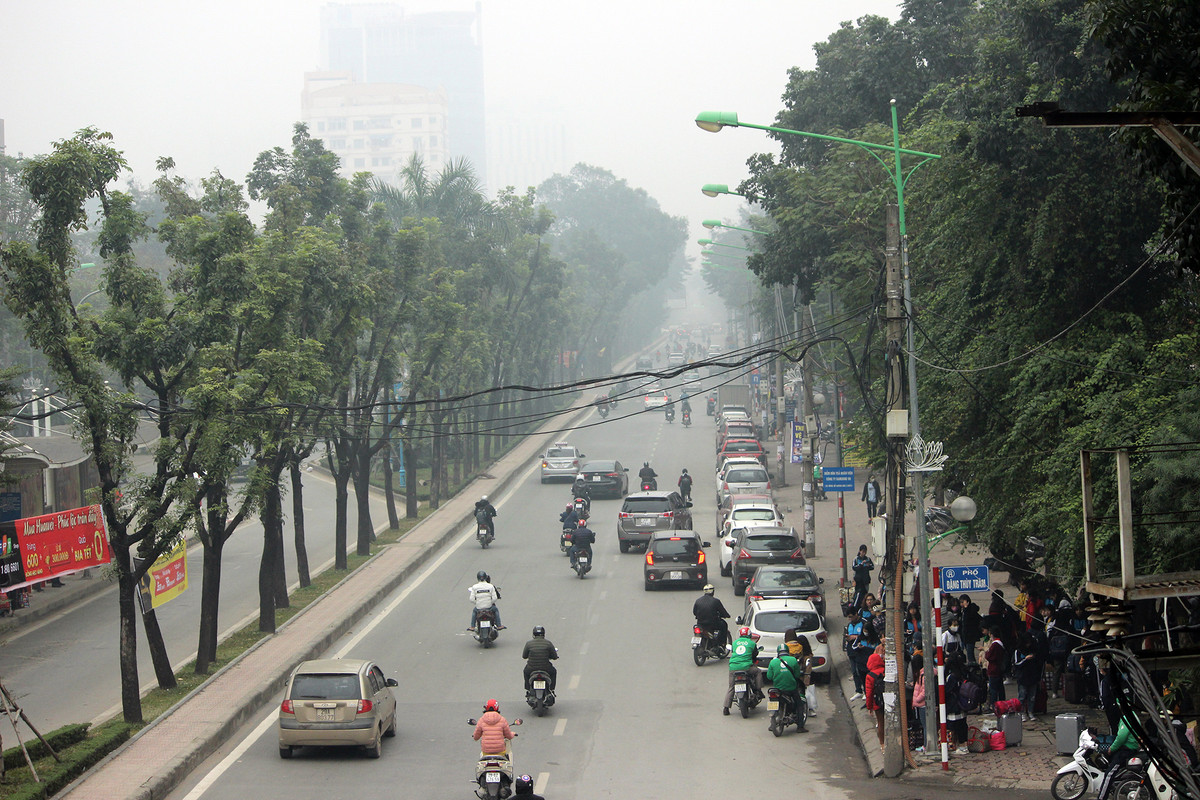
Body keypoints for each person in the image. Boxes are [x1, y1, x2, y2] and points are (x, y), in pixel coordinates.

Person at [722, 627, 761, 715]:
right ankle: (758, 690)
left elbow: (733, 652)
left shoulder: (735, 642)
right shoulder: (752, 643)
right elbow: (755, 654)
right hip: (747, 668)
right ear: (749, 634)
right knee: (758, 671)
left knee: (731, 687)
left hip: (733, 668)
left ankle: (726, 708)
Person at [767, 644, 806, 732]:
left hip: (777, 690)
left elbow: (769, 676)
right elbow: (797, 675)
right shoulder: (793, 660)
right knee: (799, 705)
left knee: (773, 702)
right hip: (791, 689)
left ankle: (771, 724)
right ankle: (800, 727)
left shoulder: (773, 662)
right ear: (788, 652)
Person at [944, 653, 970, 754]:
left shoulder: (951, 677)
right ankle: (964, 745)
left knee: (953, 726)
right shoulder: (963, 673)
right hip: (962, 704)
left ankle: (954, 746)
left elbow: (947, 691)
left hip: (953, 705)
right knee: (962, 724)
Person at [1013, 632, 1042, 721]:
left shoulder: (1034, 650)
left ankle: (1030, 712)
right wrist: (1025, 659)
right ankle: (1022, 713)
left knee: (1032, 696)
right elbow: (1016, 663)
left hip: (1033, 676)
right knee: (1022, 696)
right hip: (1022, 677)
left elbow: (1039, 663)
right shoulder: (1018, 651)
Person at [693, 584, 731, 650]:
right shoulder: (716, 601)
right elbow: (723, 612)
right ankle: (722, 644)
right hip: (713, 624)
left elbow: (694, 612)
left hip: (700, 624)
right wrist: (727, 615)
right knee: (724, 625)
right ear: (713, 592)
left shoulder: (698, 601)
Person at [845, 609, 871, 699]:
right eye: (849, 617)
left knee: (861, 672)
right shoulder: (849, 625)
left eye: (851, 616)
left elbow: (865, 635)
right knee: (854, 672)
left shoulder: (863, 622)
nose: (850, 619)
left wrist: (854, 637)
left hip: (861, 652)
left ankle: (865, 691)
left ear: (856, 614)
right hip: (851, 651)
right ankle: (858, 690)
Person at [522, 626, 559, 691]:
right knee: (553, 672)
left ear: (533, 634)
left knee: (525, 672)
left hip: (531, 668)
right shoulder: (548, 643)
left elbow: (524, 656)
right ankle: (551, 689)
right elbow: (554, 656)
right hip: (546, 668)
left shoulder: (529, 644)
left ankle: (528, 688)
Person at [865, 651, 886, 751]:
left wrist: (869, 707)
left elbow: (869, 694)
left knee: (881, 723)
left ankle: (882, 744)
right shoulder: (885, 671)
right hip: (889, 701)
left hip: (877, 703)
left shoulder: (870, 676)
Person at [981, 624, 1006, 707]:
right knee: (1000, 688)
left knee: (994, 689)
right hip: (998, 669)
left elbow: (988, 656)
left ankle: (994, 705)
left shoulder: (995, 645)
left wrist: (987, 653)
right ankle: (1002, 704)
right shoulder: (1000, 644)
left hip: (993, 670)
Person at [911, 652, 927, 752]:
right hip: (921, 704)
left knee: (926, 726)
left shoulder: (923, 676)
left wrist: (917, 700)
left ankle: (926, 745)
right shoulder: (921, 675)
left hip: (922, 705)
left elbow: (925, 691)